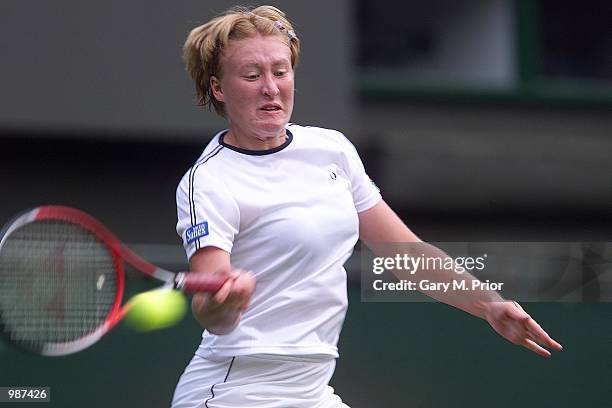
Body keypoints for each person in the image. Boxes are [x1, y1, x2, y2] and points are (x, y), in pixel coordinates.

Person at [172, 5, 562, 407]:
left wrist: (489, 305)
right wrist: (226, 302)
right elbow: (211, 309)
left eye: (281, 71)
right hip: (236, 390)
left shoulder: (332, 150)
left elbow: (406, 254)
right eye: (252, 75)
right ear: (218, 88)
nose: (270, 87)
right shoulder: (209, 182)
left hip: (313, 389)